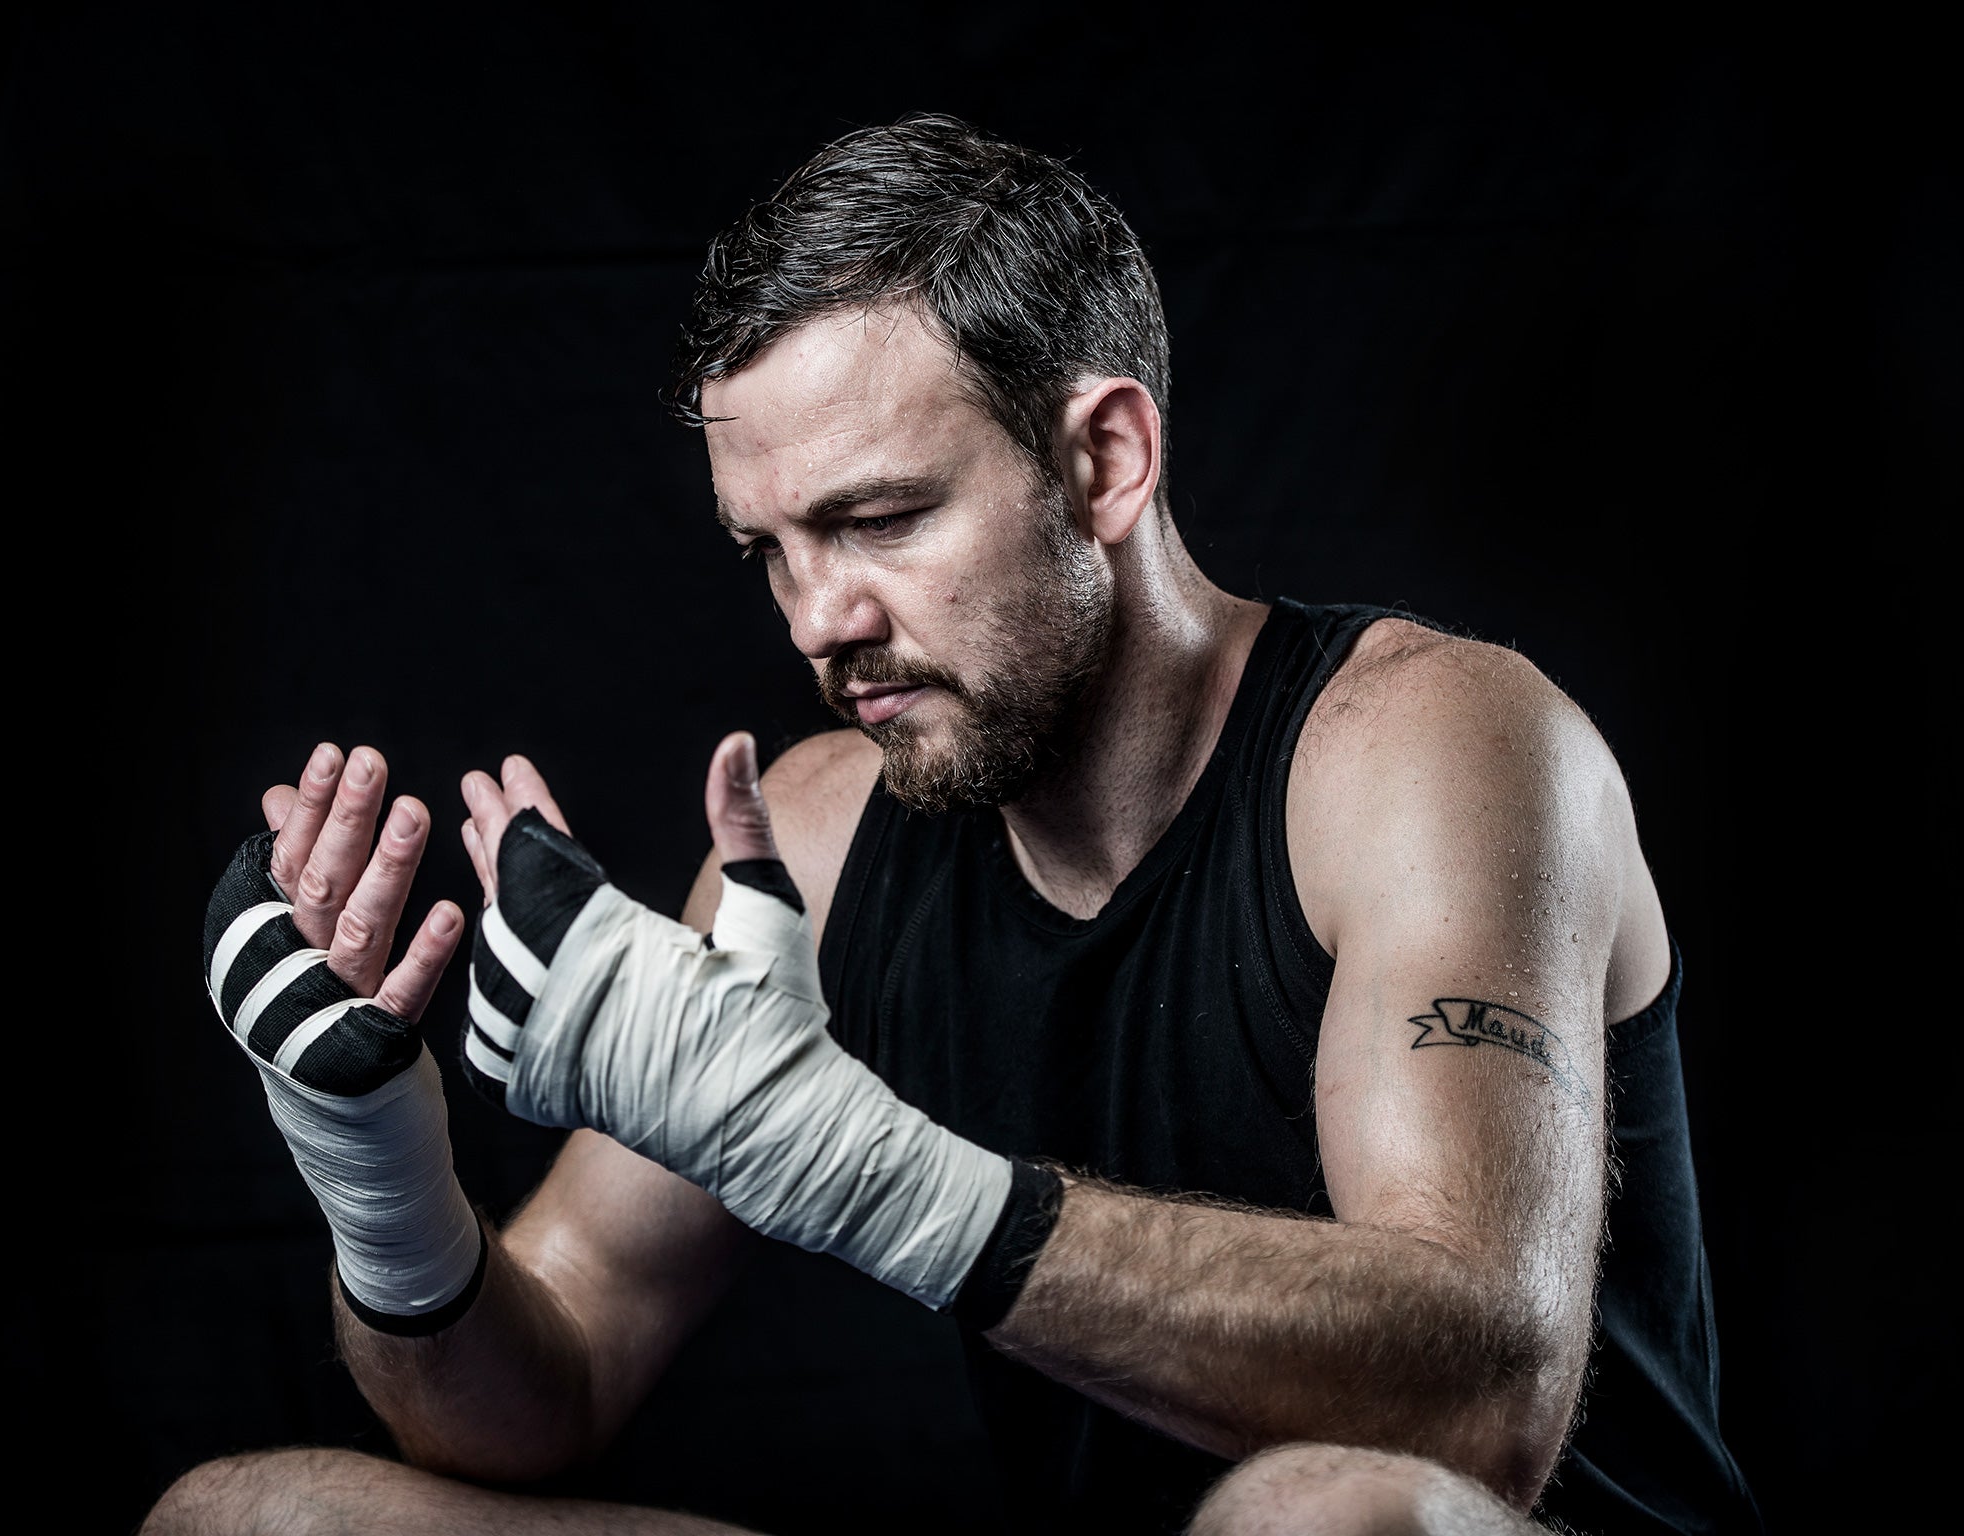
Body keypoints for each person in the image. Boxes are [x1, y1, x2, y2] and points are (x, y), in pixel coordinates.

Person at [152, 116, 1760, 1535]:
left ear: (1106, 458)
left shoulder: (1428, 745)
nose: (816, 619)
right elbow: (548, 1385)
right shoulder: (815, 832)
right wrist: (387, 1184)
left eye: (879, 519)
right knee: (249, 1515)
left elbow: (1486, 1397)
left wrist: (852, 1167)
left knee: (1320, 1512)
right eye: (767, 550)